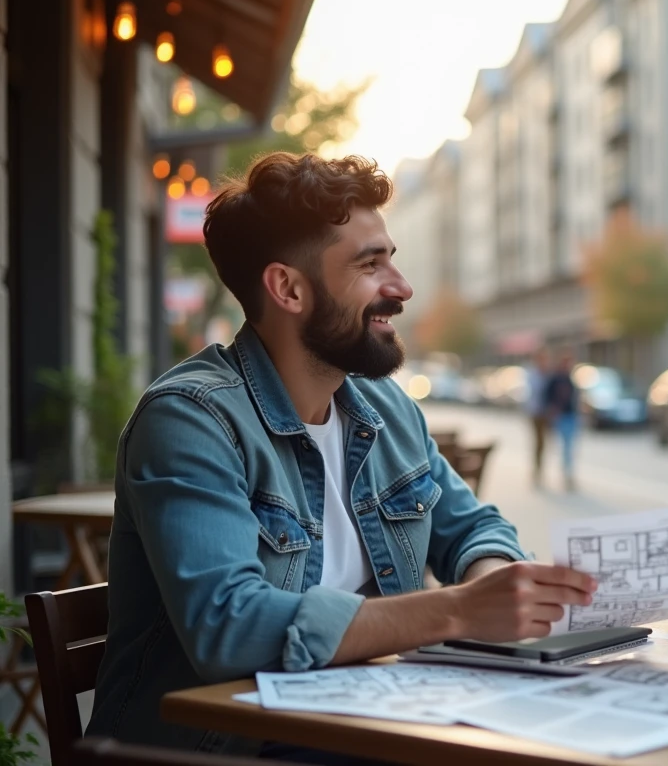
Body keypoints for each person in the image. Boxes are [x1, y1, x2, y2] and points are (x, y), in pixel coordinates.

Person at [87, 153, 596, 761]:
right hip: (222, 750)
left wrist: (496, 587)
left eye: (392, 259)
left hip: (365, 725)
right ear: (289, 288)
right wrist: (458, 611)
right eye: (369, 264)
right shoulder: (191, 420)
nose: (401, 288)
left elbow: (472, 528)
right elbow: (229, 626)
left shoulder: (385, 408)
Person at [543, 351, 580, 491]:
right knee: (555, 447)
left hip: (570, 416)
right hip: (560, 417)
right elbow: (547, 397)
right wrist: (552, 411)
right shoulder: (555, 379)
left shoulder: (570, 379)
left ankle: (567, 475)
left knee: (568, 448)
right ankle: (549, 473)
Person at [526, 348, 552, 486]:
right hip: (536, 413)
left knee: (546, 443)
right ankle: (537, 470)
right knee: (538, 443)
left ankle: (542, 469)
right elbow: (532, 393)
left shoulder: (549, 374)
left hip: (548, 413)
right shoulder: (533, 374)